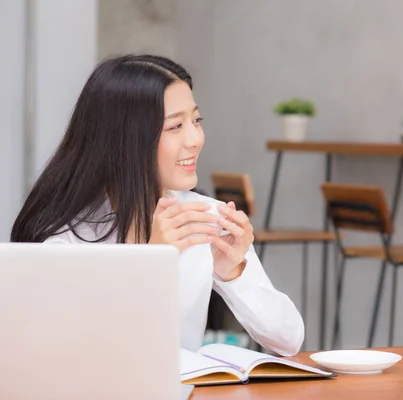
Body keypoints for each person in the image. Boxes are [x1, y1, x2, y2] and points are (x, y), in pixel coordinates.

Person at [10, 55, 304, 356]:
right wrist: (146, 261)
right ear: (125, 138)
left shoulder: (205, 219)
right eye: (175, 126)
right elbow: (71, 354)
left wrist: (233, 272)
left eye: (196, 120)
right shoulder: (68, 239)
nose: (195, 139)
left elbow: (288, 339)